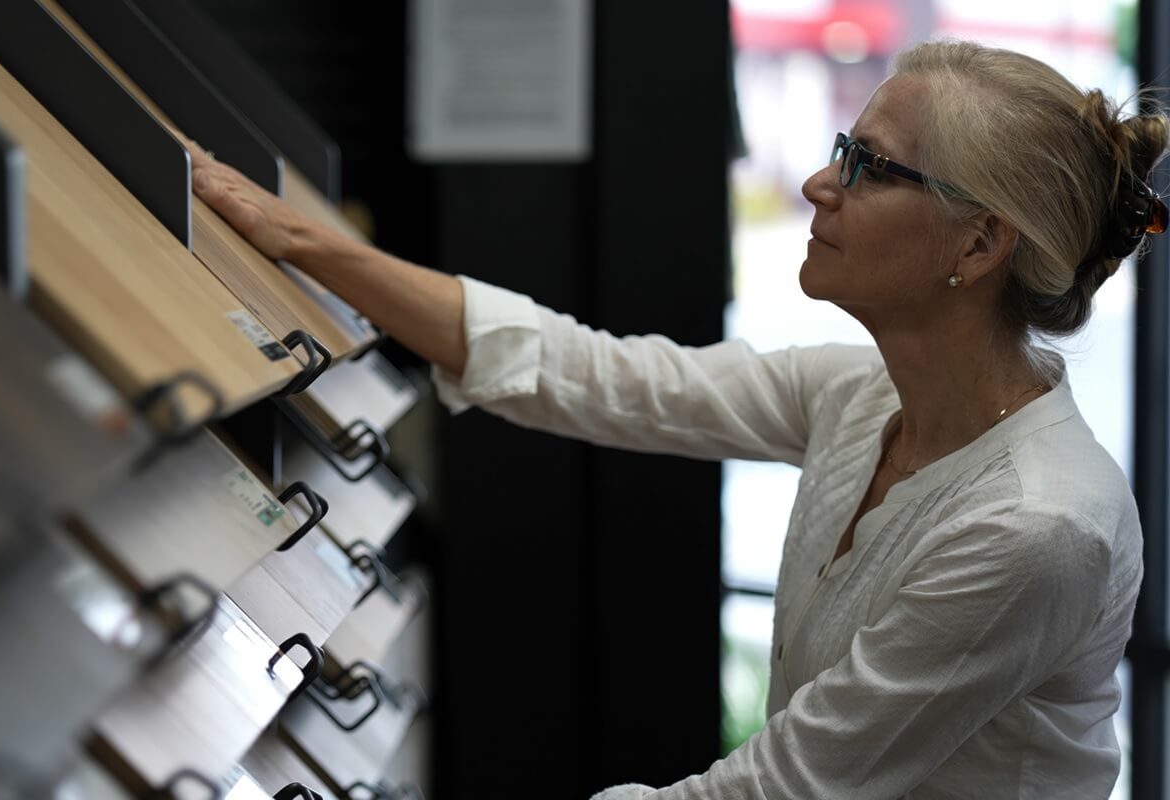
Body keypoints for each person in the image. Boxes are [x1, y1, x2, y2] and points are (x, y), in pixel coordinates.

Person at [193, 40, 1167, 799]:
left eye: (868, 164)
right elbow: (591, 373)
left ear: (980, 240)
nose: (819, 185)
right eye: (842, 150)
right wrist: (303, 243)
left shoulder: (1038, 528)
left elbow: (787, 784)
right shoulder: (863, 395)